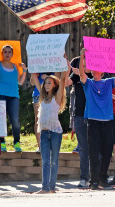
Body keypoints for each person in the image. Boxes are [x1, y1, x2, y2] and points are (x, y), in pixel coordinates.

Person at [78, 49, 115, 190]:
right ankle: (93, 181)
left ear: (103, 71)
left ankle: (103, 178)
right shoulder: (88, 83)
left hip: (107, 122)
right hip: (93, 123)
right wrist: (82, 55)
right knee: (93, 153)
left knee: (107, 152)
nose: (95, 71)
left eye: (98, 69)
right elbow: (82, 73)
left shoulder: (108, 82)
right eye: (93, 69)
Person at [31, 63, 69, 194]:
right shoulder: (42, 97)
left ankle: (52, 187)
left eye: (49, 83)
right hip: (44, 132)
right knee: (45, 160)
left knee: (54, 160)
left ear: (54, 86)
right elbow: (35, 79)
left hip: (55, 133)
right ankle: (44, 187)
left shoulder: (57, 98)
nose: (46, 85)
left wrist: (65, 66)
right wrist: (32, 62)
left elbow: (63, 79)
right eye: (45, 83)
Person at [0, 45, 27, 152]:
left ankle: (17, 143)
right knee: (1, 120)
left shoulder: (15, 66)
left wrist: (24, 71)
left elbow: (20, 82)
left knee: (15, 120)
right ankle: (2, 143)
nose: (7, 54)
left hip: (14, 96)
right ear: (2, 53)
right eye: (5, 52)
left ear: (12, 54)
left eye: (9, 52)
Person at [69, 56, 91, 187]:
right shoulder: (76, 74)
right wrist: (66, 69)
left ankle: (97, 177)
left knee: (96, 148)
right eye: (83, 59)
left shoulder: (97, 73)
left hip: (95, 115)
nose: (84, 62)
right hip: (79, 114)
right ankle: (84, 178)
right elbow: (66, 82)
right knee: (83, 149)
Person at [31, 73, 51, 153]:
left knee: (50, 120)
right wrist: (35, 75)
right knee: (38, 120)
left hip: (51, 95)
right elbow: (32, 82)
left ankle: (49, 146)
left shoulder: (54, 65)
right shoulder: (38, 66)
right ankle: (40, 146)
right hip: (37, 95)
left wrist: (48, 78)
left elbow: (58, 80)